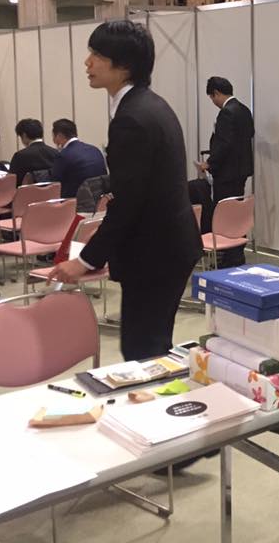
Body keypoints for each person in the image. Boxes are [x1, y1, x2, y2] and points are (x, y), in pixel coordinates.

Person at [48, 20, 201, 361]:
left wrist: (85, 260)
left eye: (98, 55)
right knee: (151, 347)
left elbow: (130, 204)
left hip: (154, 252)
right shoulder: (150, 105)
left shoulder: (132, 118)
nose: (88, 62)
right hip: (169, 245)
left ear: (125, 65)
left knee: (142, 353)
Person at [195, 76, 254, 264]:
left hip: (227, 173)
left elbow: (224, 144)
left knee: (224, 214)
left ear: (216, 93)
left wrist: (209, 163)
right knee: (237, 212)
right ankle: (237, 253)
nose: (213, 102)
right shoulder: (244, 110)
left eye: (212, 98)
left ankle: (229, 255)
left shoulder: (226, 113)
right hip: (242, 170)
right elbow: (249, 135)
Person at [49, 118, 107, 198]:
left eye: (53, 136)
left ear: (59, 136)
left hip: (75, 201)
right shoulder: (95, 150)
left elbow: (55, 184)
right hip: (100, 200)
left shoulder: (63, 155)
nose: (53, 140)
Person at [9, 118, 58, 186]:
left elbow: (12, 181)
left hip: (27, 192)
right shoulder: (56, 153)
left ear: (24, 135)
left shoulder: (20, 155)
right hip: (53, 192)